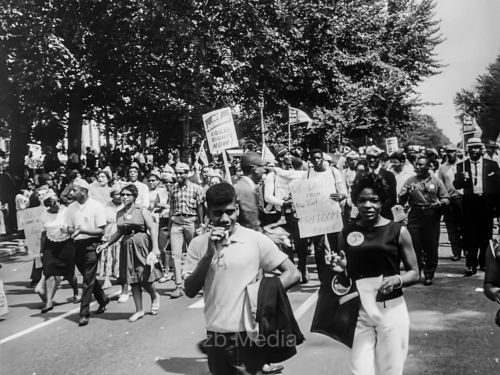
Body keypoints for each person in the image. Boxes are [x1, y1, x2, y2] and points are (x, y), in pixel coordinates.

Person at [184, 183, 300, 375]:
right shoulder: (198, 244)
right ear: (208, 212)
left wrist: (261, 295)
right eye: (217, 213)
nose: (224, 219)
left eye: (230, 211)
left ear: (237, 209)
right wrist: (208, 255)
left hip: (248, 334)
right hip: (215, 335)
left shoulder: (255, 239)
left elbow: (293, 273)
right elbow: (189, 290)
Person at [332, 173, 419, 375]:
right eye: (362, 201)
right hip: (358, 311)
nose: (368, 205)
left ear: (383, 201)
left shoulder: (398, 231)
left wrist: (397, 279)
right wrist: (341, 269)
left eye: (374, 200)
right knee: (360, 370)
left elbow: (415, 273)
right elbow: (344, 280)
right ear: (355, 203)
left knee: (390, 370)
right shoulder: (346, 233)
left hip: (390, 308)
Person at [97, 184, 162, 322]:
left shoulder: (141, 210)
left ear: (134, 197)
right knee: (132, 279)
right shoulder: (119, 213)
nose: (124, 197)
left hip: (142, 243)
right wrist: (107, 244)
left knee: (145, 277)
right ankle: (139, 310)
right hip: (126, 245)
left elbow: (152, 228)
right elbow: (119, 232)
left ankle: (154, 296)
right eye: (122, 195)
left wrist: (155, 248)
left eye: (128, 195)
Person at [399, 156, 449, 285]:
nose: (417, 167)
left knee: (431, 246)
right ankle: (416, 272)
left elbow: (446, 198)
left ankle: (429, 274)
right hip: (415, 214)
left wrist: (440, 203)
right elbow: (401, 200)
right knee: (415, 245)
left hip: (431, 214)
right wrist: (406, 193)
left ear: (428, 166)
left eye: (421, 165)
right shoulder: (410, 181)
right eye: (416, 165)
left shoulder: (436, 181)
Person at [66, 178, 109, 326]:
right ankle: (103, 299)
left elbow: (101, 230)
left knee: (87, 280)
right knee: (87, 276)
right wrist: (73, 231)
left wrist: (83, 230)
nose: (71, 193)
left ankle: (84, 313)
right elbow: (68, 228)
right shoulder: (71, 208)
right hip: (76, 244)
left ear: (83, 192)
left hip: (92, 244)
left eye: (74, 190)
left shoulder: (96, 206)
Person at [454, 138, 500, 276]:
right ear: (467, 150)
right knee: (470, 236)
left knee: (486, 235)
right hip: (470, 204)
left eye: (476, 147)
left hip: (486, 204)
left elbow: (498, 187)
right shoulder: (462, 165)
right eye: (471, 148)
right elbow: (457, 186)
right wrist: (461, 178)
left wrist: (497, 208)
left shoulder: (491, 165)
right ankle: (470, 265)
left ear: (482, 149)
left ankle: (483, 263)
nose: (474, 150)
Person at [38, 189, 80, 312]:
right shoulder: (44, 215)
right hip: (51, 245)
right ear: (47, 205)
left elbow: (75, 227)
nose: (57, 204)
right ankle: (49, 302)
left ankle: (76, 292)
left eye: (58, 201)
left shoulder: (66, 212)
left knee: (69, 273)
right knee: (49, 272)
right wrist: (41, 251)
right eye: (53, 202)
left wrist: (67, 230)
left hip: (66, 244)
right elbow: (43, 234)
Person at [168, 162, 204, 298]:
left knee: (194, 253)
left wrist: (201, 224)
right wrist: (169, 226)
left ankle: (198, 282)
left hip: (191, 221)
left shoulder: (196, 188)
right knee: (175, 255)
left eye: (181, 173)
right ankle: (178, 286)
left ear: (187, 173)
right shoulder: (172, 189)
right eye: (177, 173)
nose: (179, 175)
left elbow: (200, 206)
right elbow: (171, 209)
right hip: (177, 222)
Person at [437, 144, 464, 261]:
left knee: (464, 226)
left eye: (453, 151)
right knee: (451, 228)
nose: (450, 154)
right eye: (448, 151)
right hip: (449, 200)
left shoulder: (463, 165)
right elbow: (440, 185)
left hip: (462, 199)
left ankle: (467, 250)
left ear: (457, 152)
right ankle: (456, 252)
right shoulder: (442, 168)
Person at [99, 188, 123, 292]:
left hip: (121, 234)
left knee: (119, 256)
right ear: (112, 195)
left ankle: (119, 276)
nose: (119, 196)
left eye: (121, 194)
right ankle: (107, 279)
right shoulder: (105, 206)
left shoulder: (125, 205)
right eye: (117, 194)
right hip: (108, 233)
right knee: (107, 257)